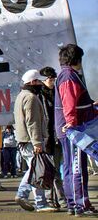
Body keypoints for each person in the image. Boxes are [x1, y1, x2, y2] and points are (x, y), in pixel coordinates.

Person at [54, 44, 98, 216]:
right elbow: (69, 103)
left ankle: (76, 203)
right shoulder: (69, 76)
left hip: (70, 127)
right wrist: (71, 123)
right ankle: (79, 205)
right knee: (77, 167)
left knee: (70, 167)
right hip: (74, 130)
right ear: (76, 59)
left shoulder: (66, 75)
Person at [13, 69, 56, 213]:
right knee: (35, 170)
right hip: (31, 141)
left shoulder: (21, 96)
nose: (41, 83)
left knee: (36, 170)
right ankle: (23, 194)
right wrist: (37, 142)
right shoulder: (31, 97)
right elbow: (32, 122)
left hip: (23, 140)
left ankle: (40, 202)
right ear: (32, 82)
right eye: (38, 81)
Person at [39, 66, 66, 207]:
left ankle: (59, 199)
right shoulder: (39, 95)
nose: (52, 80)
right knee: (51, 171)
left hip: (57, 136)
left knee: (56, 170)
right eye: (49, 78)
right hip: (46, 138)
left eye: (53, 78)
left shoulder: (57, 93)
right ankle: (54, 199)